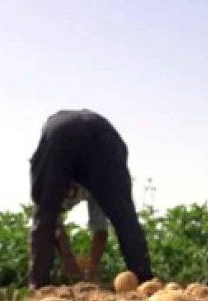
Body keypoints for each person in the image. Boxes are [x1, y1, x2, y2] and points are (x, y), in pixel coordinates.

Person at [28, 109, 153, 289]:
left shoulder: (90, 185)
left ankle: (38, 287)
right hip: (100, 134)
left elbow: (98, 229)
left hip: (75, 133)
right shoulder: (90, 180)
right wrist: (68, 260)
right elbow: (53, 222)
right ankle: (146, 283)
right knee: (125, 218)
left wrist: (91, 270)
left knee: (45, 215)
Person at [53, 182, 110, 282]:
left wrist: (93, 266)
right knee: (43, 238)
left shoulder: (98, 182)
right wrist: (67, 258)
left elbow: (101, 228)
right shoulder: (55, 175)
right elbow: (49, 217)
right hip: (45, 212)